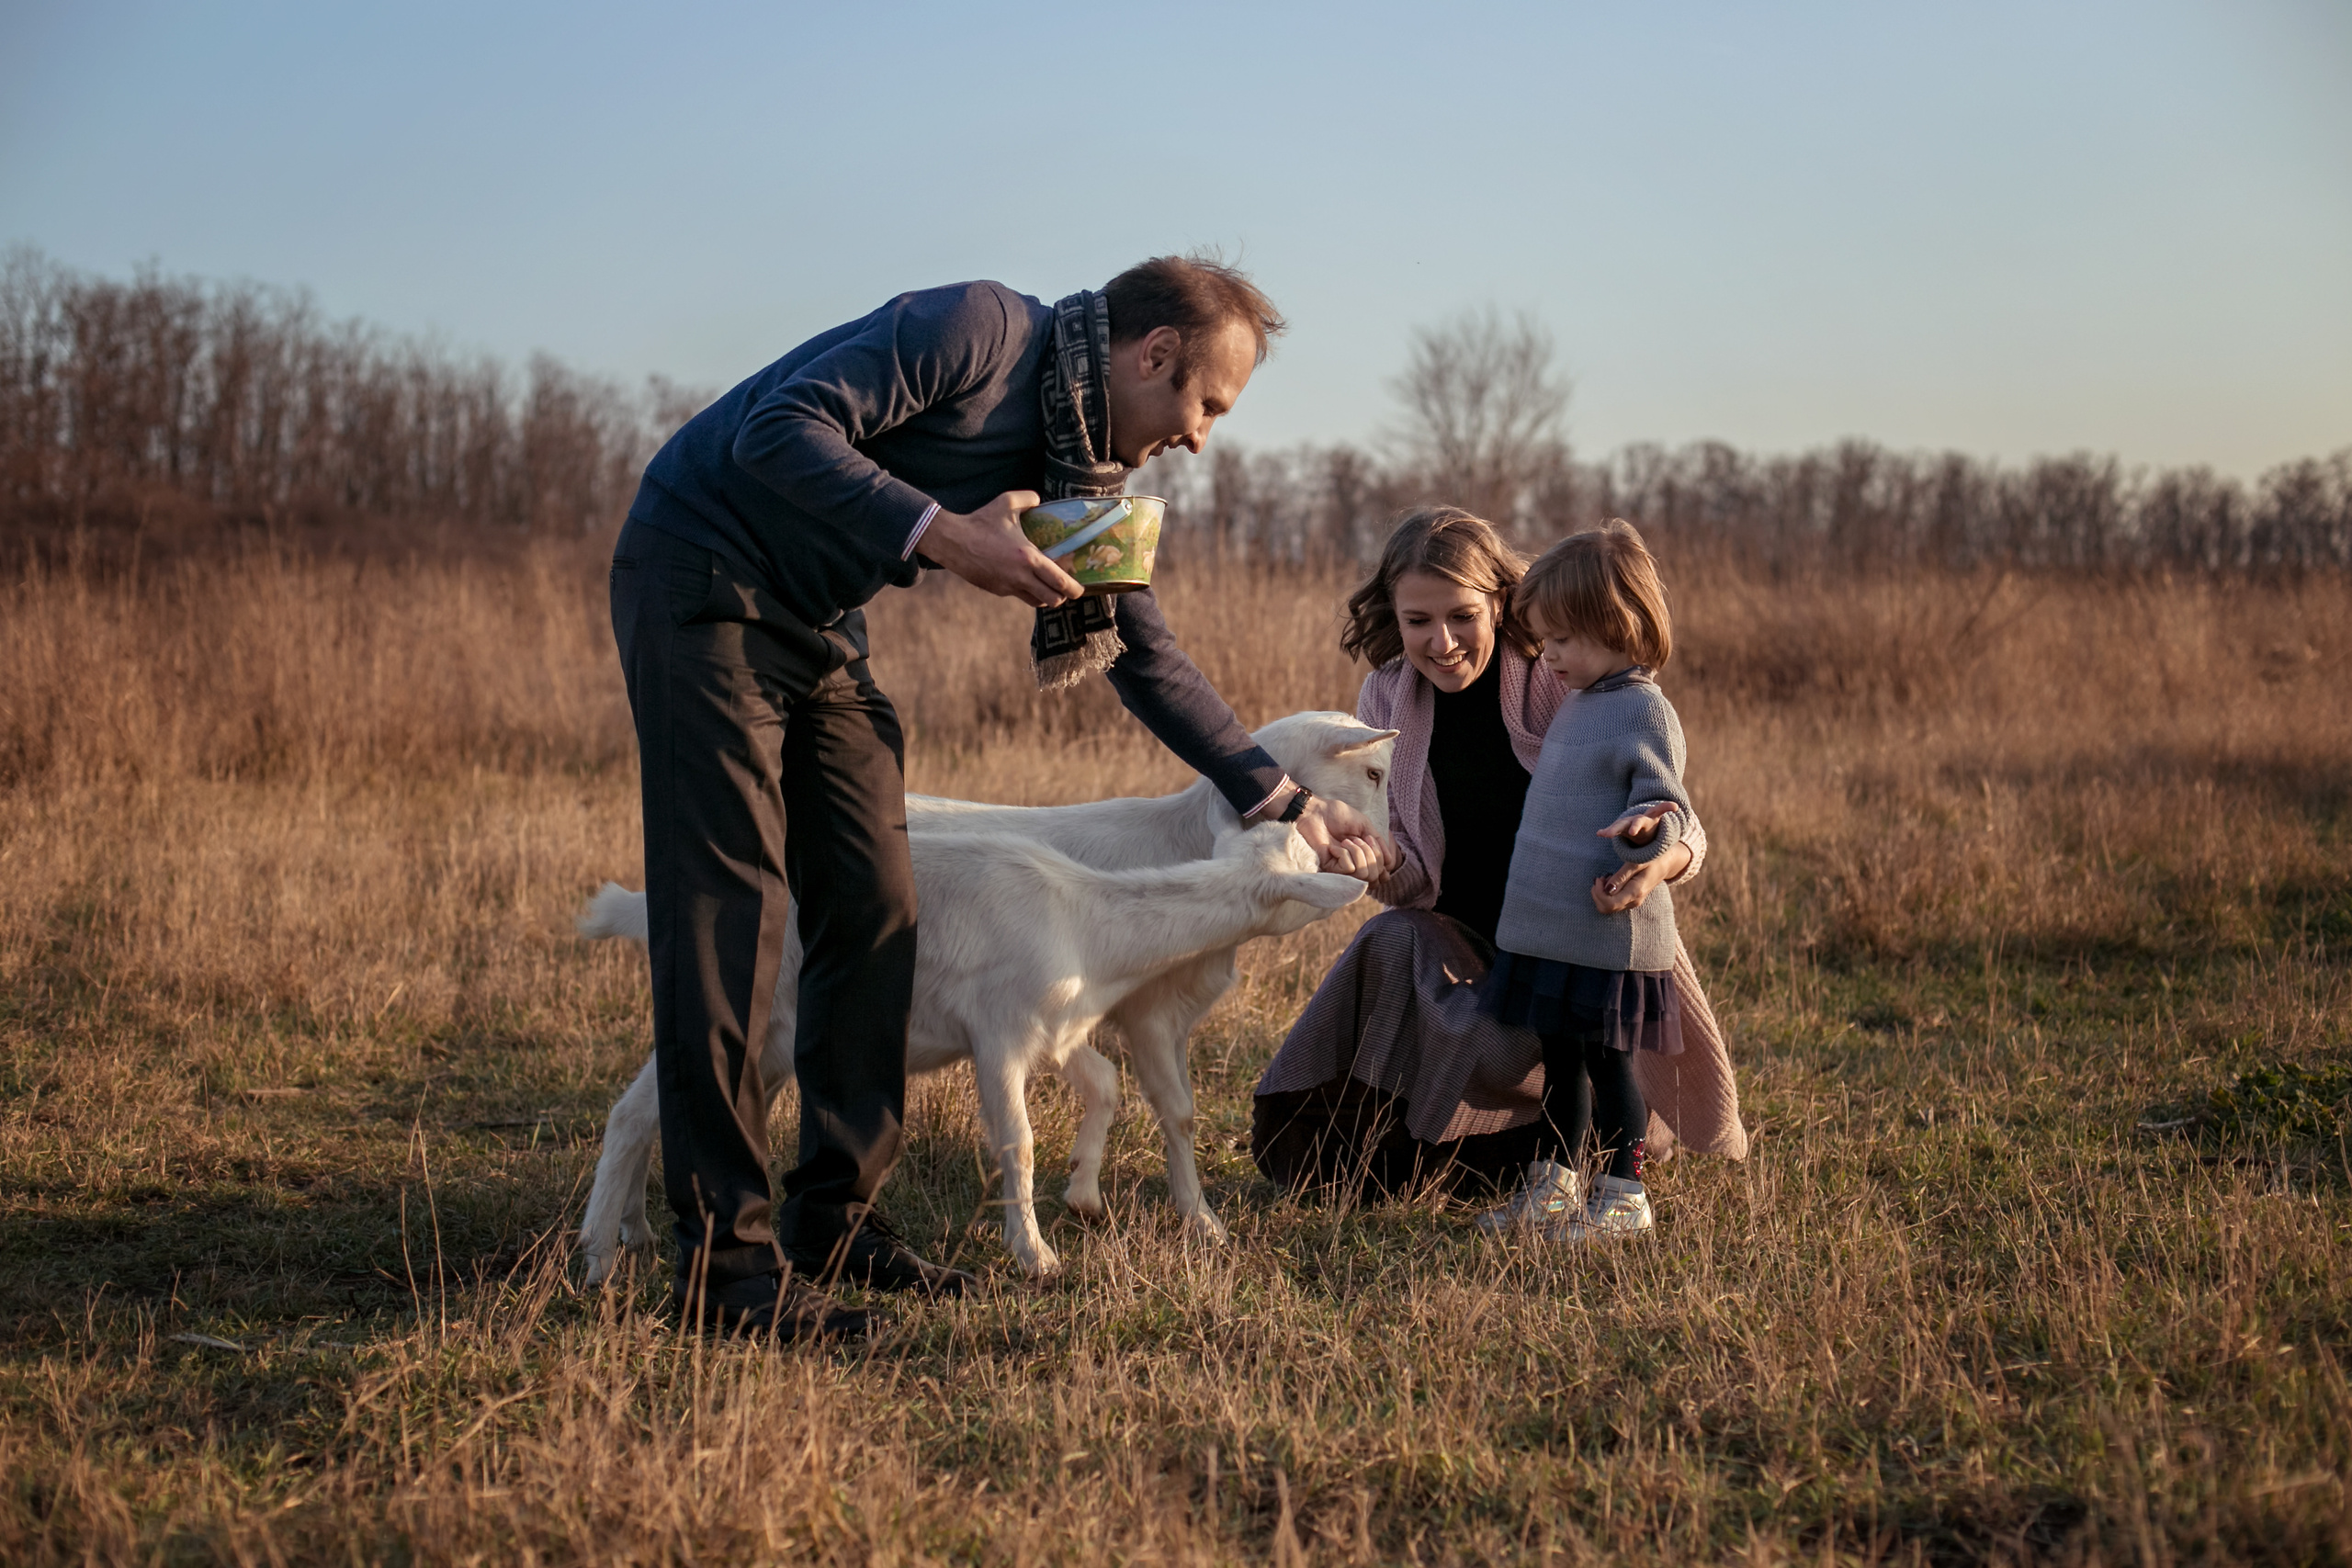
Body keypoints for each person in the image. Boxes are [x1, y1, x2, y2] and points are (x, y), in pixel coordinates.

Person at [610, 256, 1385, 1340]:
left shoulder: (1086, 475)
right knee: (730, 921)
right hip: (702, 577)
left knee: (876, 901)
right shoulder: (975, 330)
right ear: (1154, 354)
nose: (1203, 436)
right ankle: (725, 1278)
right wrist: (940, 532)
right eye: (1203, 403)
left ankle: (832, 1225)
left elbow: (1140, 651)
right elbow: (776, 431)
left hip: (818, 623)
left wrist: (1283, 804)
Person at [1251, 508, 1746, 1198]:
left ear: (1500, 603)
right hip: (1467, 948)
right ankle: (1365, 1142)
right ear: (1393, 614)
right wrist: (1378, 864)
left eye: (1462, 615)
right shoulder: (1385, 693)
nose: (1442, 641)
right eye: (1418, 619)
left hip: (1571, 952)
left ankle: (1593, 1155)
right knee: (1388, 937)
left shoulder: (1564, 676)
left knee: (1589, 1077)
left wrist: (1659, 859)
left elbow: (1675, 816)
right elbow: (1416, 874)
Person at [1475, 520, 1690, 1241]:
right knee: (1560, 1062)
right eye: (1545, 639)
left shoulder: (1643, 708)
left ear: (1617, 624)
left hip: (1606, 931)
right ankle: (1555, 1186)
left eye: (1563, 639)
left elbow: (1667, 803)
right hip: (1552, 930)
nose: (1550, 655)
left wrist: (1643, 833)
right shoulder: (1579, 701)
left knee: (1610, 1063)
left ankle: (1624, 1195)